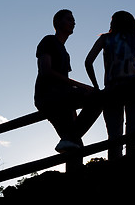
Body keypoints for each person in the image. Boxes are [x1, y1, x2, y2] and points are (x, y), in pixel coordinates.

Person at [34, 9, 102, 153]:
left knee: (74, 144)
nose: (73, 22)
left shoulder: (65, 53)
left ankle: (68, 140)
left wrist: (74, 113)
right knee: (97, 97)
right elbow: (46, 71)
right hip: (48, 96)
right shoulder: (49, 41)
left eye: (74, 20)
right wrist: (82, 86)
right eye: (69, 19)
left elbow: (64, 83)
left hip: (63, 99)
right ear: (57, 22)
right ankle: (69, 139)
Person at [85, 10, 135, 160]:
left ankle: (115, 172)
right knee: (134, 134)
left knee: (114, 137)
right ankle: (133, 167)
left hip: (112, 89)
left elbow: (88, 62)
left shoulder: (105, 39)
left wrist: (96, 86)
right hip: (133, 85)